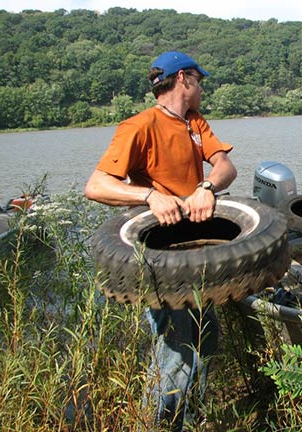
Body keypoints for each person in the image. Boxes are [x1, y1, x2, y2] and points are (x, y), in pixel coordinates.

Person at [85, 51, 237, 430]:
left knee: (206, 339)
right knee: (178, 349)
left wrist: (206, 187)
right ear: (183, 78)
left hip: (194, 252)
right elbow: (96, 185)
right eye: (199, 81)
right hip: (159, 257)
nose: (202, 89)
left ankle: (191, 420)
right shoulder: (139, 126)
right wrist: (149, 195)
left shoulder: (193, 122)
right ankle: (159, 425)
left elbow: (225, 166)